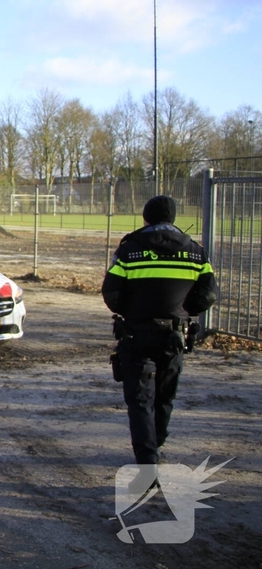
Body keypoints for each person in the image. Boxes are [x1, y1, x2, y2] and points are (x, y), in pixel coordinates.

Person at [102, 195, 218, 465]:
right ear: (173, 219)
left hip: (136, 333)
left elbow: (111, 293)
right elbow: (209, 294)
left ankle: (147, 459)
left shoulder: (130, 250)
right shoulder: (195, 252)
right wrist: (184, 312)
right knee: (165, 397)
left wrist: (132, 311)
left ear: (146, 218)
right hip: (174, 336)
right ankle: (157, 444)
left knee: (140, 400)